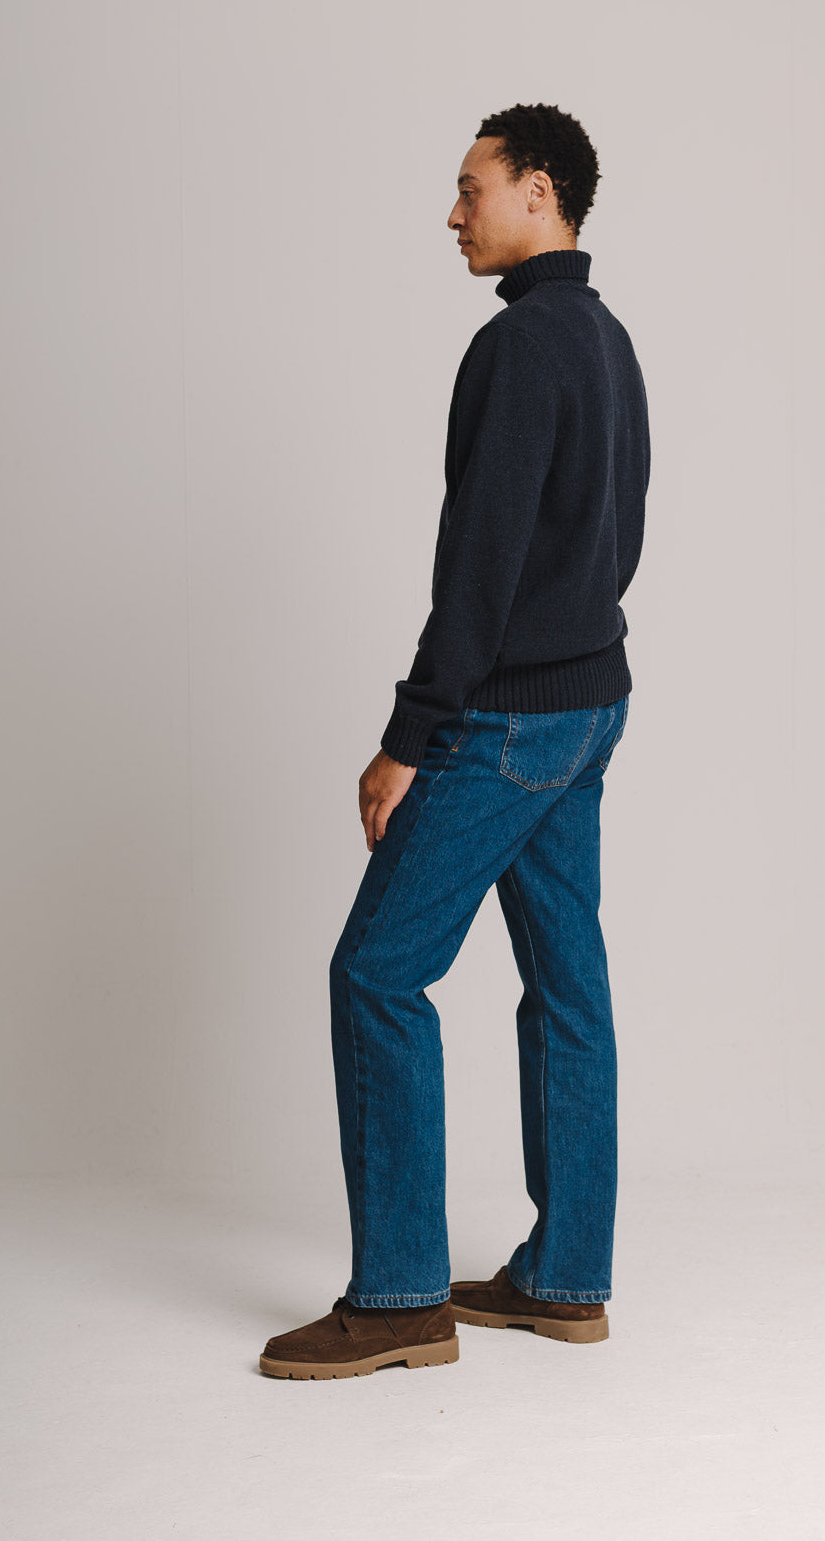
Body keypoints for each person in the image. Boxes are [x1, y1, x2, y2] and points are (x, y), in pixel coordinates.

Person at [260, 102, 651, 1379]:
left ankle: (397, 1298)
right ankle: (567, 1277)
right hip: (590, 705)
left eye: (472, 188)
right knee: (569, 985)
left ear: (539, 192)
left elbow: (478, 567)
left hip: (513, 719)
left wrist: (411, 737)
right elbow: (620, 536)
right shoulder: (607, 339)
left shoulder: (521, 347)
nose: (453, 213)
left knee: (377, 975)